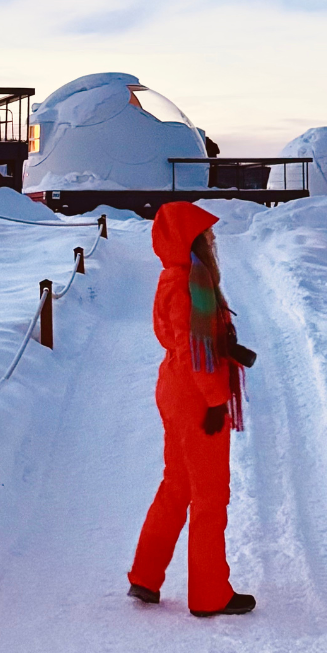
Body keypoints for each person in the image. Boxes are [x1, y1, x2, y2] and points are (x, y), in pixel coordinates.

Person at [127, 202, 257, 617]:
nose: (213, 240)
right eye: (206, 234)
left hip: (175, 389)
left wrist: (226, 346)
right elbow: (193, 351)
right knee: (210, 495)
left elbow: (191, 341)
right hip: (194, 396)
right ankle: (209, 593)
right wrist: (216, 402)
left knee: (177, 485)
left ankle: (145, 576)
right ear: (191, 240)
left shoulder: (176, 278)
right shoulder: (189, 283)